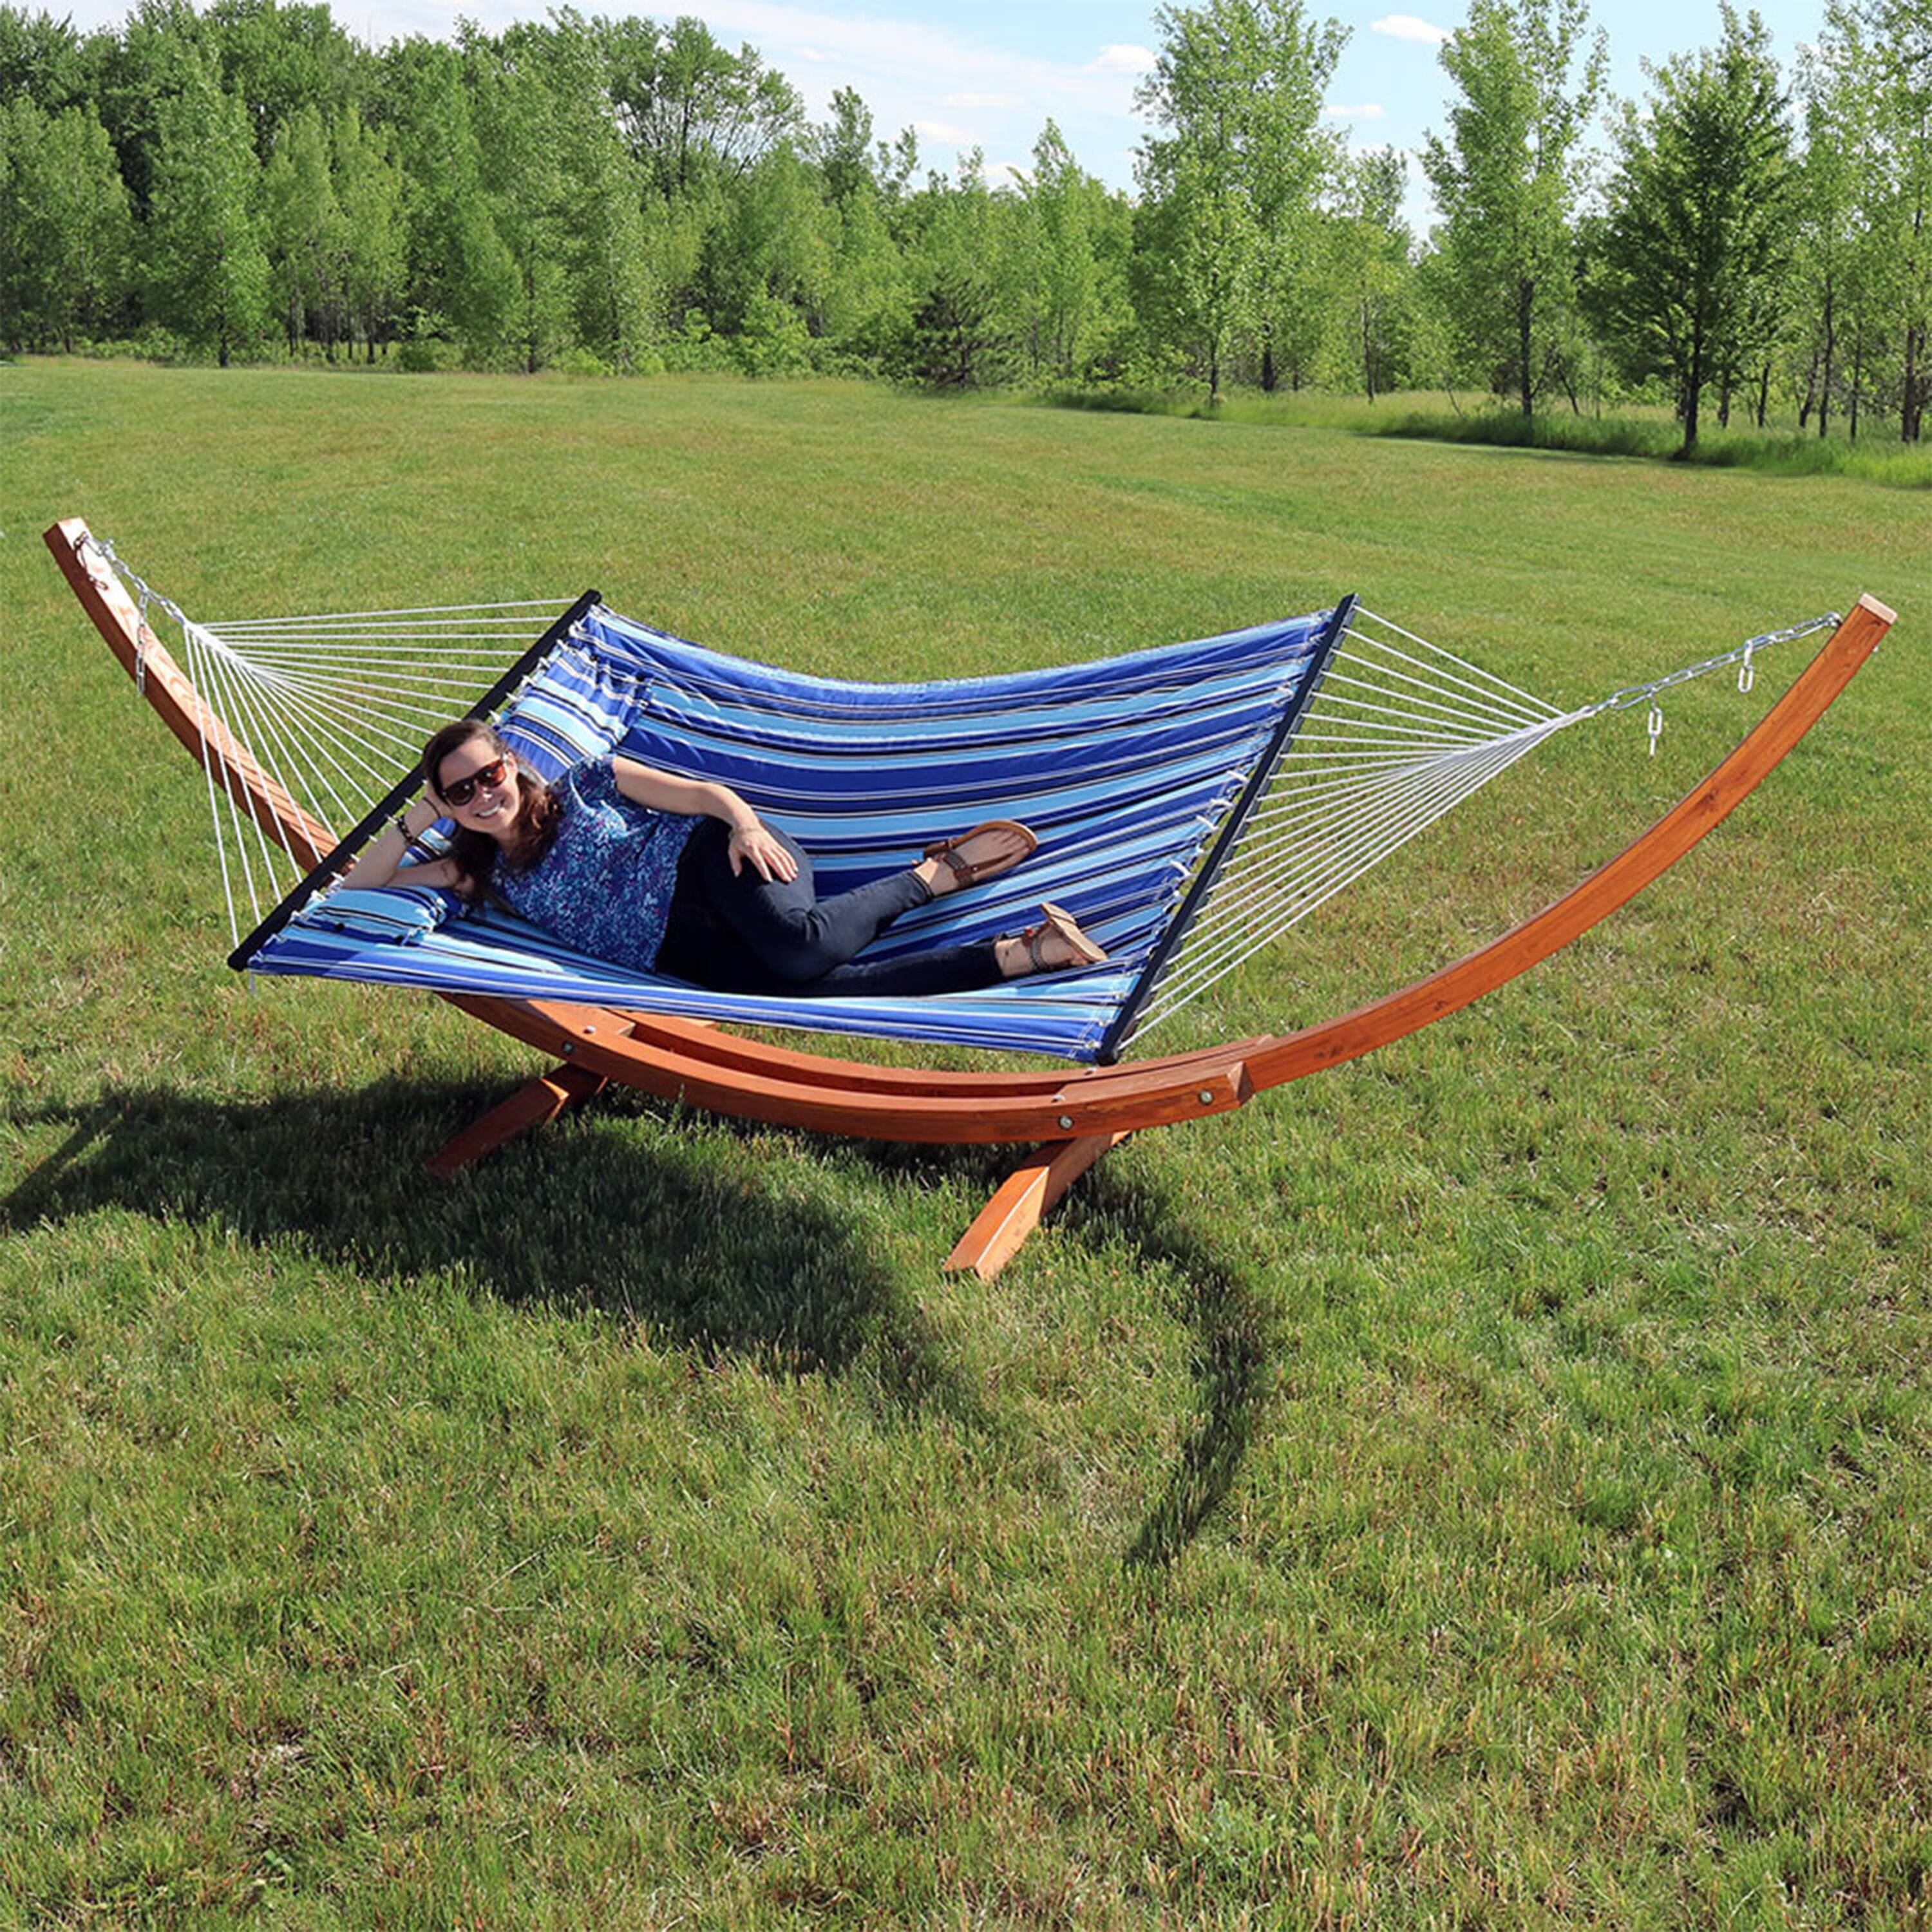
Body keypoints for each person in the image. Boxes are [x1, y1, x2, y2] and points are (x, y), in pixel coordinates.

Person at [344, 719, 1107, 996]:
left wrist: (744, 826)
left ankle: (933, 875)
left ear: (511, 764)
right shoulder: (480, 873)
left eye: (491, 773)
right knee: (812, 991)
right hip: (681, 954)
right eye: (461, 791)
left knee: (798, 949)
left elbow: (706, 796)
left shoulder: (588, 783)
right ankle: (1020, 954)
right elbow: (356, 890)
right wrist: (419, 820)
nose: (484, 793)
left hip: (723, 862)